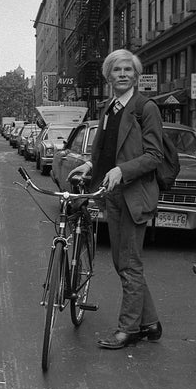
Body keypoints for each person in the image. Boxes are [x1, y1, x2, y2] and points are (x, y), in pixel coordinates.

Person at [69, 49, 165, 350]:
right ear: (108, 76)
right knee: (123, 261)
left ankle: (128, 330)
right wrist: (90, 165)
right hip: (113, 193)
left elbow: (154, 156)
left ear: (136, 76)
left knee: (129, 264)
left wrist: (121, 171)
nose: (122, 75)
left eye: (128, 70)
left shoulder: (145, 108)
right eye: (116, 70)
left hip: (134, 194)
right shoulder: (109, 106)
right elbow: (105, 150)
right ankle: (149, 323)